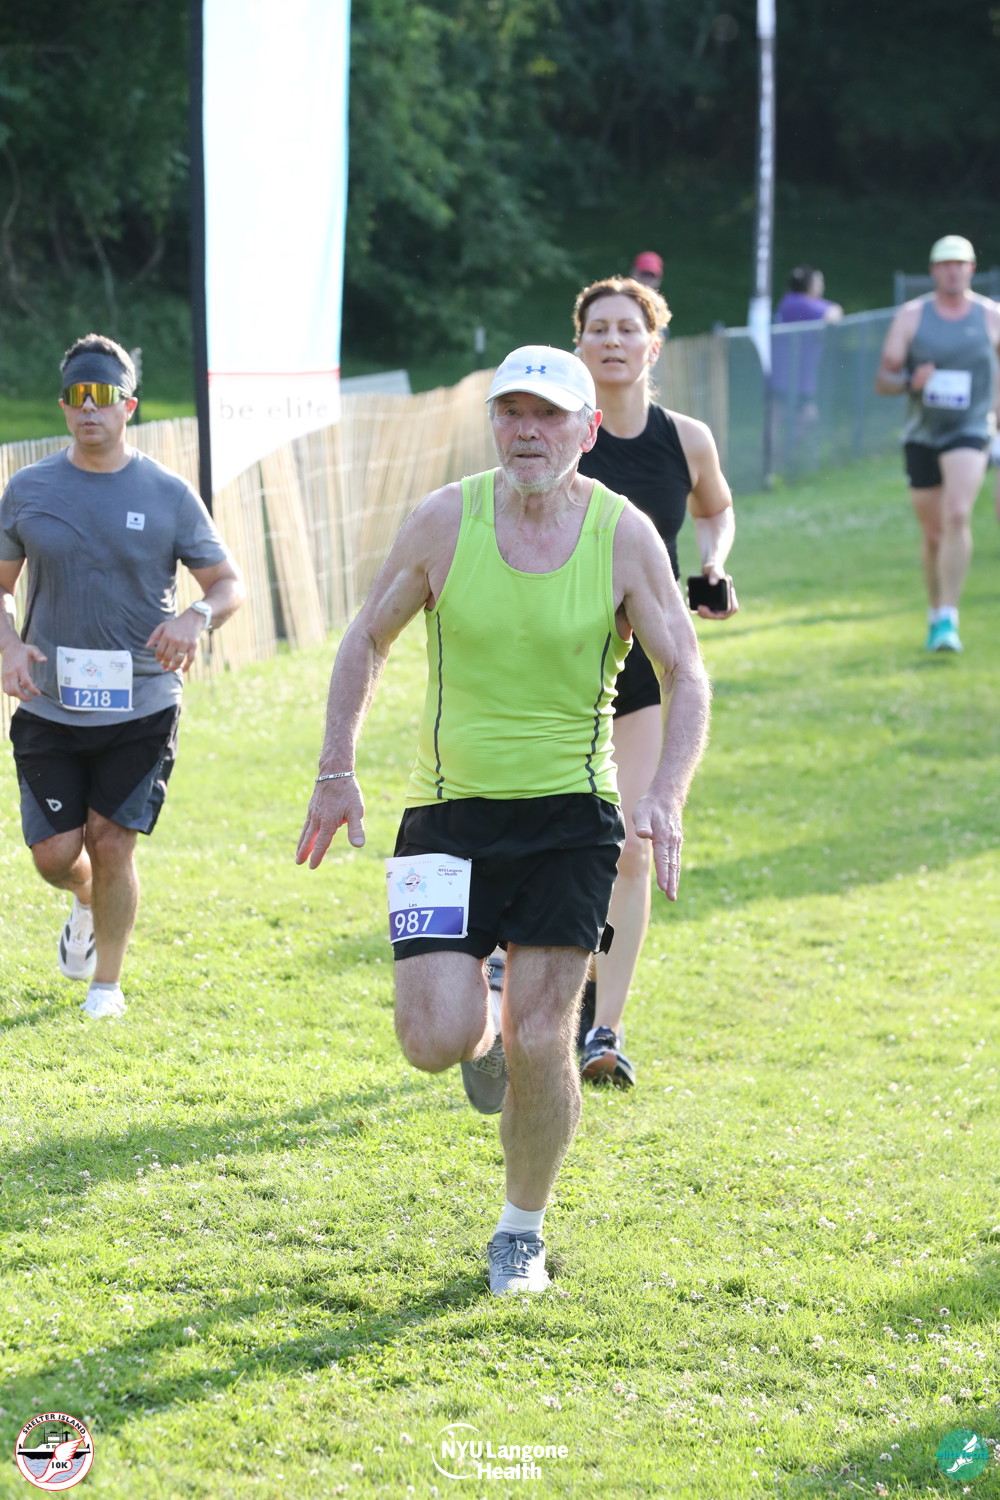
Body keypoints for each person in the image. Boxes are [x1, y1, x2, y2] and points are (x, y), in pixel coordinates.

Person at [296, 344, 711, 1294]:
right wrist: (335, 767)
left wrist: (666, 791)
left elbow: (686, 671)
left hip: (573, 819)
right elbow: (367, 637)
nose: (528, 432)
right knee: (432, 1039)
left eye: (549, 415)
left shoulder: (622, 534)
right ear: (493, 424)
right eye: (511, 413)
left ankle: (520, 1232)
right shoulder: (446, 520)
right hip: (449, 815)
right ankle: (479, 1020)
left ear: (587, 430)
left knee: (542, 1033)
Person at [0, 334, 244, 1018]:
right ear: (63, 404)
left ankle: (105, 987)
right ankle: (84, 899)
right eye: (77, 395)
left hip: (142, 703)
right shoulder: (28, 490)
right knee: (55, 855)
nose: (90, 408)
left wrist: (196, 616)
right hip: (49, 702)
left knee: (111, 841)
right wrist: (9, 644)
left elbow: (229, 583)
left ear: (128, 406)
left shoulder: (167, 494)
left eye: (103, 396)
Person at [571, 275, 737, 1090]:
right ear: (578, 346)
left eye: (626, 328)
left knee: (634, 844)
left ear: (652, 345)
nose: (612, 340)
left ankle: (603, 1029)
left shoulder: (687, 440)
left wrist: (713, 563)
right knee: (559, 838)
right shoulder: (560, 433)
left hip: (641, 671)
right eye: (598, 328)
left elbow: (716, 508)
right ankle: (535, 988)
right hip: (558, 667)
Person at [876, 235, 1000, 653]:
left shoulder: (990, 316)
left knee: (957, 513)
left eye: (960, 264)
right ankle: (934, 614)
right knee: (932, 533)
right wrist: (911, 382)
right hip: (922, 433)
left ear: (971, 268)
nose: (953, 271)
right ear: (933, 271)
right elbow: (884, 379)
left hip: (971, 428)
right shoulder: (912, 316)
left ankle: (949, 617)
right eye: (945, 264)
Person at [771, 267, 844, 468]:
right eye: (819, 282)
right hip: (788, 376)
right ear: (809, 285)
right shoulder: (799, 303)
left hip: (794, 376)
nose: (822, 286)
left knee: (801, 417)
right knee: (781, 419)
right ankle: (776, 462)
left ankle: (780, 461)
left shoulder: (791, 301)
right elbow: (833, 314)